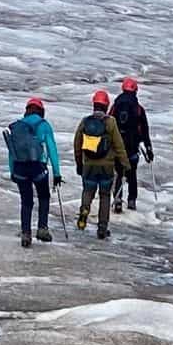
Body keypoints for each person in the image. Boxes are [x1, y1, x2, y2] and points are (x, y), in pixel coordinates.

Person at [5, 97, 62, 249]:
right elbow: (52, 149)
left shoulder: (18, 126)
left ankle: (26, 233)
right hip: (38, 168)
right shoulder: (44, 126)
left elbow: (12, 152)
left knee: (26, 201)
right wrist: (57, 173)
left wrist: (12, 171)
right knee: (43, 196)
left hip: (20, 168)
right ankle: (42, 229)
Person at [74, 89, 130, 238]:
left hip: (89, 166)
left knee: (87, 191)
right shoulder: (110, 123)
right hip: (107, 167)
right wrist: (126, 165)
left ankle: (84, 210)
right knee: (105, 196)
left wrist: (79, 163)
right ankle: (102, 228)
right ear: (106, 105)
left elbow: (77, 143)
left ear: (94, 104)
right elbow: (119, 145)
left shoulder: (85, 121)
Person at [111, 77, 154, 214]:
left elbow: (108, 124)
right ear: (135, 91)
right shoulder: (138, 109)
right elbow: (145, 130)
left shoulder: (116, 105)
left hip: (117, 146)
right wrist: (148, 148)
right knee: (132, 174)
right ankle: (131, 201)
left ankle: (117, 199)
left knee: (118, 173)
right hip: (132, 146)